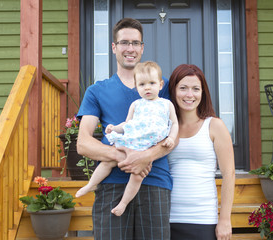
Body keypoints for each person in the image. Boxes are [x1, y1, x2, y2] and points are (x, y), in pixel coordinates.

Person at [76, 18, 174, 239]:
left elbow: (174, 134)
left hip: (154, 180)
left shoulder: (163, 86)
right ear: (114, 47)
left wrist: (146, 156)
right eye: (124, 42)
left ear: (142, 48)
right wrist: (126, 157)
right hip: (111, 184)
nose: (130, 48)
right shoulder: (97, 91)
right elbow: (83, 143)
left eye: (136, 43)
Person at [75, 61, 178, 217]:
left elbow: (175, 123)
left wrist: (171, 137)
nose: (147, 87)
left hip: (148, 146)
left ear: (161, 84)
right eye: (142, 84)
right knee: (107, 162)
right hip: (133, 141)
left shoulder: (166, 104)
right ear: (137, 87)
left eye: (152, 83)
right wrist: (114, 128)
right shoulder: (136, 104)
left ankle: (123, 203)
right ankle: (91, 184)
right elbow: (127, 124)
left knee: (137, 175)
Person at [168, 64, 236, 240]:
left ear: (202, 93)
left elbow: (229, 175)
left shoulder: (214, 126)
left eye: (195, 89)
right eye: (183, 88)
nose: (189, 95)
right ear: (173, 91)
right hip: (168, 217)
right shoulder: (165, 129)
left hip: (203, 219)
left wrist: (225, 219)